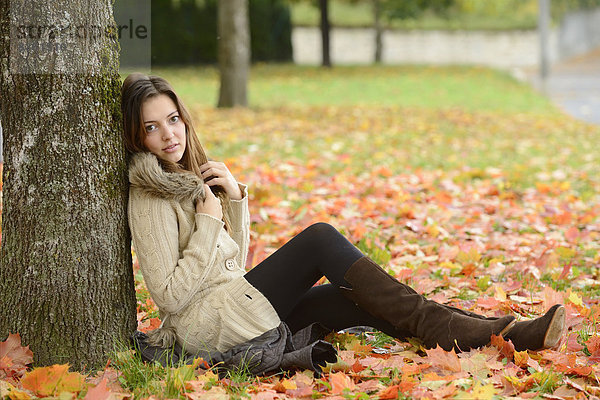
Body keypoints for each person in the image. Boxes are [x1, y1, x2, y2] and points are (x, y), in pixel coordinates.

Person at [121, 73, 566, 357]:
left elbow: (231, 261)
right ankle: (498, 332)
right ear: (137, 137)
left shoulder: (189, 180)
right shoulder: (149, 197)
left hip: (233, 308)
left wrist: (233, 198)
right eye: (151, 126)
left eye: (173, 119)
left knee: (362, 301)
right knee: (318, 238)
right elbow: (170, 296)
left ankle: (506, 336)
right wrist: (208, 223)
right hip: (209, 327)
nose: (168, 134)